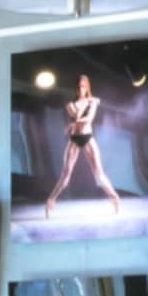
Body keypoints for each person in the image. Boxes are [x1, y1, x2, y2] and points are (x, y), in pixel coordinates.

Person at [38, 67, 124, 214]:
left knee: (99, 174)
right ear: (76, 88)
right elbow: (77, 117)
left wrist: (72, 123)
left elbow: (88, 119)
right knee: (65, 175)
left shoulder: (93, 102)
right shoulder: (70, 105)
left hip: (88, 138)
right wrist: (80, 107)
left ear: (87, 87)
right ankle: (50, 201)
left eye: (83, 86)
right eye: (79, 87)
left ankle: (115, 199)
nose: (81, 89)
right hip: (74, 139)